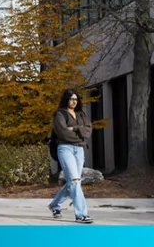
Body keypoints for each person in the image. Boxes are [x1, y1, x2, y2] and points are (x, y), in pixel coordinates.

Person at [48, 89, 94, 224]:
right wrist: (80, 133)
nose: (74, 101)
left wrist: (75, 129)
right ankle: (81, 214)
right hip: (65, 149)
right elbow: (63, 134)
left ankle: (54, 205)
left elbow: (88, 131)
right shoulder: (60, 114)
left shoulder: (81, 114)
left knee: (73, 182)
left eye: (76, 99)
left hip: (79, 150)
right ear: (66, 100)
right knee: (74, 181)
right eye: (71, 99)